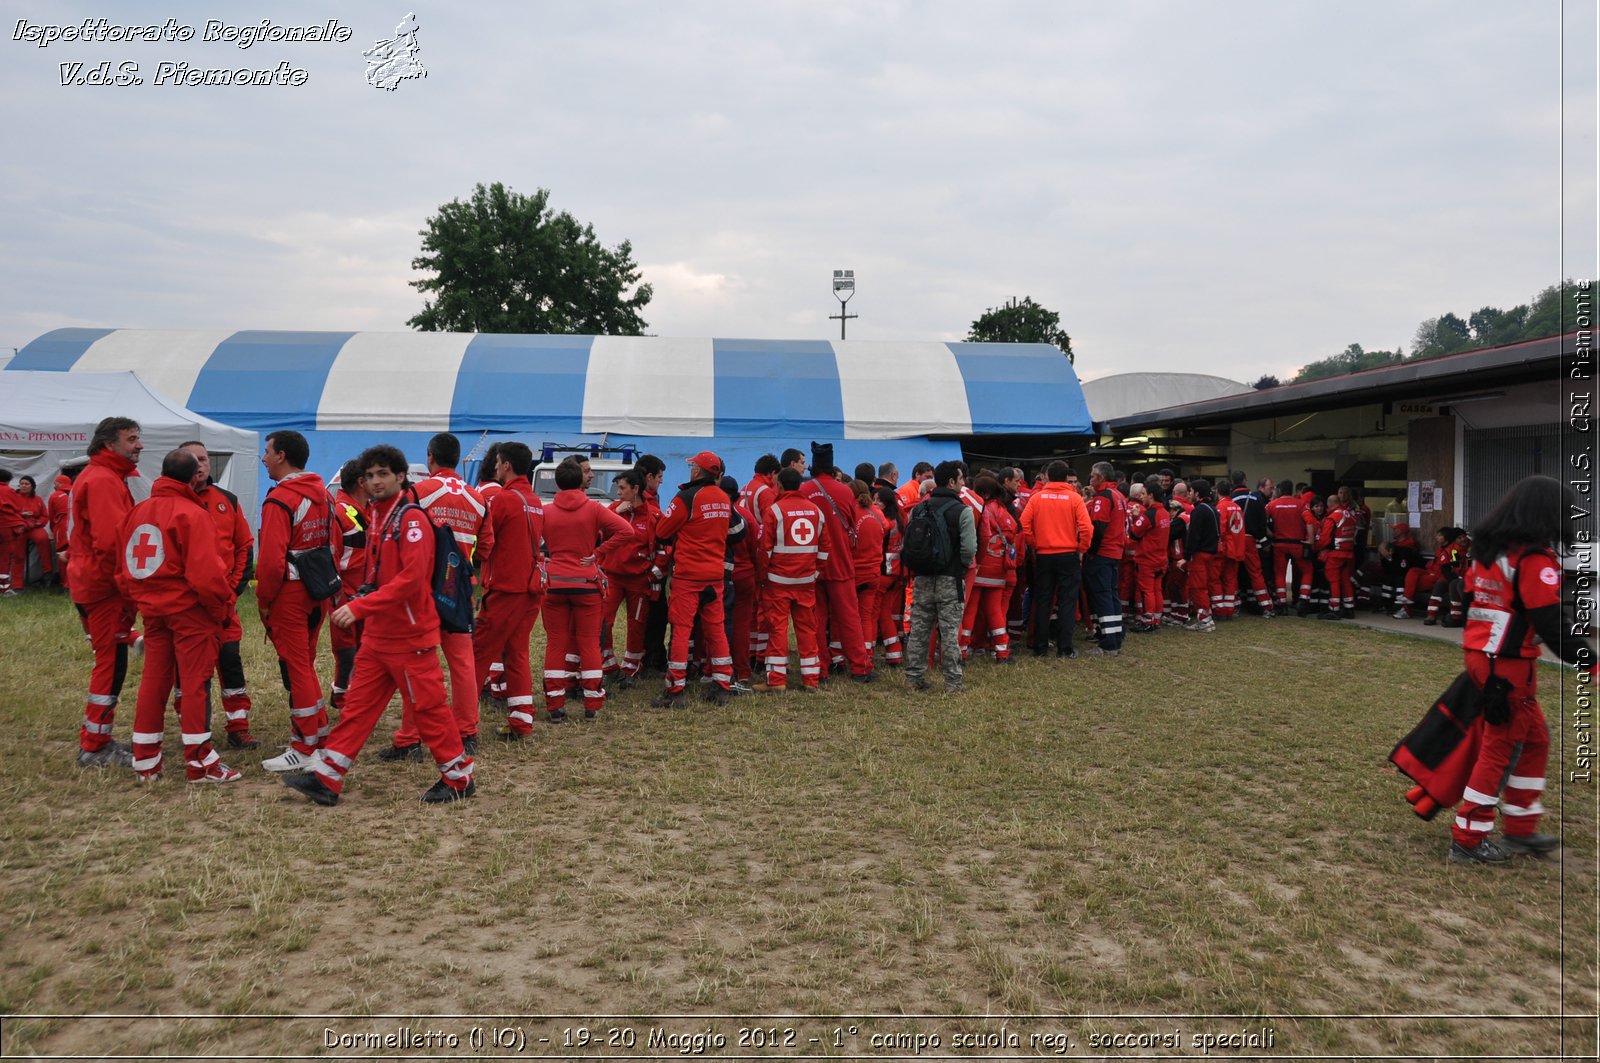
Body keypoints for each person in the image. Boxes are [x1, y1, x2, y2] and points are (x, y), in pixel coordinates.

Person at [283, 444, 477, 806]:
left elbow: (413, 579)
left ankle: (459, 778)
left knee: (429, 709)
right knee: (357, 706)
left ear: (401, 476)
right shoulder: (378, 517)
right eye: (369, 475)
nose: (375, 481)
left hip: (408, 634)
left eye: (383, 474)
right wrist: (364, 606)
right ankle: (328, 777)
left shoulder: (411, 518)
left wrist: (361, 606)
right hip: (380, 634)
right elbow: (380, 575)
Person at [1447, 476, 1589, 864]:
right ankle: (1468, 838)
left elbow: (1468, 598)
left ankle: (1521, 827)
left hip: (1484, 658)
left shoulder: (1488, 551)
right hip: (1507, 666)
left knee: (1535, 739)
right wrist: (1591, 662)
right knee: (1501, 748)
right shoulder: (1534, 559)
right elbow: (1552, 624)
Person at [116, 449, 240, 783]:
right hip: (190, 613)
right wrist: (223, 609)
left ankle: (146, 761)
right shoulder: (192, 513)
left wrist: (140, 602)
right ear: (192, 477)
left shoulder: (137, 511)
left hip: (153, 612)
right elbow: (207, 576)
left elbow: (123, 566)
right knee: (195, 685)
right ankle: (201, 765)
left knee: (154, 682)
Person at [380, 433, 491, 756]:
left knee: (417, 664)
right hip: (460, 591)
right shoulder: (477, 498)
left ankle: (410, 738)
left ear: (430, 457)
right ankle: (467, 732)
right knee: (463, 665)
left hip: (424, 591)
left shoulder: (418, 492)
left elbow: (400, 534)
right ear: (457, 458)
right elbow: (486, 546)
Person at [257, 430, 336, 773]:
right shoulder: (324, 494)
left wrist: (264, 601)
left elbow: (271, 561)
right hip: (318, 590)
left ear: (281, 455)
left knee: (297, 667)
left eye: (267, 451)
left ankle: (304, 749)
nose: (263, 458)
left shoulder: (279, 499)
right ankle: (316, 734)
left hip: (289, 593)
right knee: (305, 664)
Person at [70, 416, 144, 767]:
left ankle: (97, 739)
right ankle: (95, 745)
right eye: (131, 439)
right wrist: (134, 588)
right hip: (104, 587)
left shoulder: (106, 476)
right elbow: (113, 543)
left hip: (97, 584)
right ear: (108, 444)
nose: (139, 445)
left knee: (112, 660)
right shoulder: (102, 480)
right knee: (110, 664)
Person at [178, 441, 258, 749]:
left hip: (224, 605)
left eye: (203, 459)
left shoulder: (227, 500)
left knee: (230, 662)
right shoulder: (171, 502)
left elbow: (244, 546)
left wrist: (233, 589)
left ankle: (238, 726)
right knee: (188, 671)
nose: (199, 464)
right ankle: (195, 730)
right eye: (192, 459)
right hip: (187, 607)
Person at [540, 459, 633, 720]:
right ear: (581, 480)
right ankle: (592, 704)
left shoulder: (546, 511)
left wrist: (544, 559)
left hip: (555, 583)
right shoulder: (593, 509)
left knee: (556, 643)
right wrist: (597, 553)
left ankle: (555, 705)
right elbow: (626, 531)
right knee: (590, 643)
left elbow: (531, 541)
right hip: (587, 584)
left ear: (557, 482)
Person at [651, 451, 738, 707]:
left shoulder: (686, 497)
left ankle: (675, 690)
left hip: (689, 576)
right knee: (716, 630)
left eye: (692, 467)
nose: (690, 470)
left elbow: (663, 531)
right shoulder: (724, 498)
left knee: (681, 630)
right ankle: (722, 685)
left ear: (698, 471)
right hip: (715, 575)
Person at [471, 442, 545, 741]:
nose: (496, 467)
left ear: (506, 465)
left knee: (478, 653)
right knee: (517, 653)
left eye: (499, 462)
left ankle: (462, 723)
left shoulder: (503, 500)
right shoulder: (535, 501)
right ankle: (521, 719)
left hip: (504, 588)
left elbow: (485, 542)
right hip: (530, 588)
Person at [801, 442, 874, 682]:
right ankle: (860, 668)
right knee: (850, 618)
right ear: (832, 468)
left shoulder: (804, 491)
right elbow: (852, 524)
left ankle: (819, 669)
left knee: (816, 620)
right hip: (841, 562)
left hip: (812, 565)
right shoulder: (845, 492)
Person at [902, 460, 976, 693]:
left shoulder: (918, 509)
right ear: (952, 482)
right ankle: (953, 683)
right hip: (950, 579)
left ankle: (914, 678)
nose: (963, 484)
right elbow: (969, 549)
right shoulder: (963, 511)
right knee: (950, 633)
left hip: (922, 578)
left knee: (919, 630)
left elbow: (908, 543)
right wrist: (961, 567)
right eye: (961, 480)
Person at [757, 466, 825, 691]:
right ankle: (811, 680)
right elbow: (825, 549)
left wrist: (763, 576)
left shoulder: (774, 511)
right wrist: (815, 572)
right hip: (806, 581)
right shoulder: (816, 511)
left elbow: (764, 550)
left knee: (777, 629)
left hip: (778, 581)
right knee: (807, 629)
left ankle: (777, 681)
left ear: (781, 486)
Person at [1019, 460, 1092, 657]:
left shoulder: (1037, 498)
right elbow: (1086, 528)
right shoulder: (1075, 498)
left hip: (1044, 555)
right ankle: (1064, 648)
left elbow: (1024, 524)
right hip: (1068, 554)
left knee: (1043, 601)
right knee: (1067, 601)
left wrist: (1034, 544)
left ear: (1047, 476)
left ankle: (1040, 647)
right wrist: (1081, 549)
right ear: (1066, 477)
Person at [598, 469, 656, 686]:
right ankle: (608, 665)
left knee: (637, 624)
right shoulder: (613, 510)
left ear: (636, 489)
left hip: (638, 580)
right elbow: (597, 529)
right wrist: (615, 513)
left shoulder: (652, 515)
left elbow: (661, 547)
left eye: (622, 488)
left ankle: (631, 668)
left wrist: (653, 572)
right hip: (612, 576)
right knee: (604, 620)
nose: (618, 492)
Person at [328, 459, 369, 712]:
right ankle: (344, 699)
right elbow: (331, 556)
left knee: (363, 651)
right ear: (361, 482)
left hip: (365, 595)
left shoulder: (368, 509)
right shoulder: (341, 511)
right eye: (373, 476)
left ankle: (342, 694)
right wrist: (336, 596)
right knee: (347, 652)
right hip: (345, 595)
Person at [966, 474, 1018, 663]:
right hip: (998, 570)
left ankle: (962, 650)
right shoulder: (1003, 510)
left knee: (970, 611)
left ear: (983, 493)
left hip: (980, 568)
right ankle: (1002, 652)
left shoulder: (981, 509)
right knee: (995, 611)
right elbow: (1013, 534)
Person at [738, 455, 782, 672]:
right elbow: (769, 525)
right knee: (764, 609)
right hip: (760, 554)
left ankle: (752, 651)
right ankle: (761, 655)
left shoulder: (746, 488)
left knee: (751, 610)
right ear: (772, 474)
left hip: (745, 553)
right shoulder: (765, 493)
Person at [1128, 476, 1171, 633]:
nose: (1142, 497)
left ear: (1151, 495)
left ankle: (1148, 621)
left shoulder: (1149, 514)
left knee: (1147, 591)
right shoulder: (1165, 513)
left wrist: (1136, 518)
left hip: (1147, 559)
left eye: (1144, 494)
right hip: (1160, 558)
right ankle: (1156, 619)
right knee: (1157, 590)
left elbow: (1134, 534)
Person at [1179, 478, 1220, 633]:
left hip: (1200, 554)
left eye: (1191, 491)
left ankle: (1204, 621)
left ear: (1197, 493)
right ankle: (1206, 618)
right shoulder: (1212, 508)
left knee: (1198, 588)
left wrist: (1186, 556)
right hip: (1210, 553)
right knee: (1203, 587)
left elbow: (1193, 536)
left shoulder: (1199, 510)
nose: (1189, 494)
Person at [13, 475, 55, 588]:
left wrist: (37, 523)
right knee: (18, 554)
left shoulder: (38, 499)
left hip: (34, 527)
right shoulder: (14, 497)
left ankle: (47, 576)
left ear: (32, 486)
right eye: (22, 484)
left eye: (26, 484)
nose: (23, 486)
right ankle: (17, 584)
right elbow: (9, 513)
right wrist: (21, 515)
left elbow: (45, 516)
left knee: (44, 539)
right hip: (19, 527)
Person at [0, 471, 29, 595]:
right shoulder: (9, 491)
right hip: (7, 527)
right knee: (5, 557)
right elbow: (16, 507)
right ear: (7, 480)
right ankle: (4, 588)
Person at [48, 473, 73, 592]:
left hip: (62, 527)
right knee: (75, 554)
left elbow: (51, 516)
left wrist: (54, 530)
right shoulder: (76, 492)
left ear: (59, 484)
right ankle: (75, 583)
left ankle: (66, 584)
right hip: (77, 526)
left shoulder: (55, 495)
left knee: (62, 555)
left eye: (55, 484)